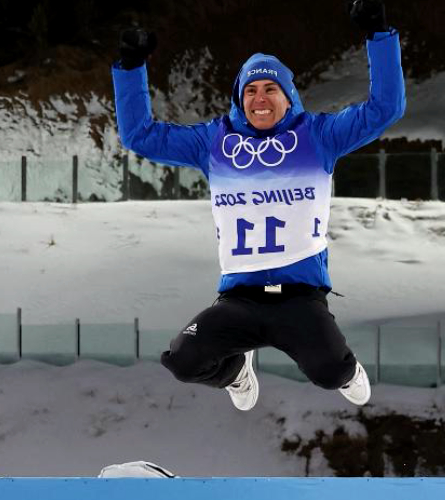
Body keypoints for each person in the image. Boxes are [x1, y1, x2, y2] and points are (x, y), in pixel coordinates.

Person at [111, 0, 405, 411]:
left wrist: (378, 36)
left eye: (270, 89)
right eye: (250, 90)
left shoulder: (319, 136)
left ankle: (348, 370)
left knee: (329, 373)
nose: (260, 98)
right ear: (239, 98)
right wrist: (130, 67)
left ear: (289, 97)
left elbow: (385, 108)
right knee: (182, 360)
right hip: (239, 301)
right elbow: (140, 135)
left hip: (299, 300)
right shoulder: (213, 142)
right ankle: (236, 373)